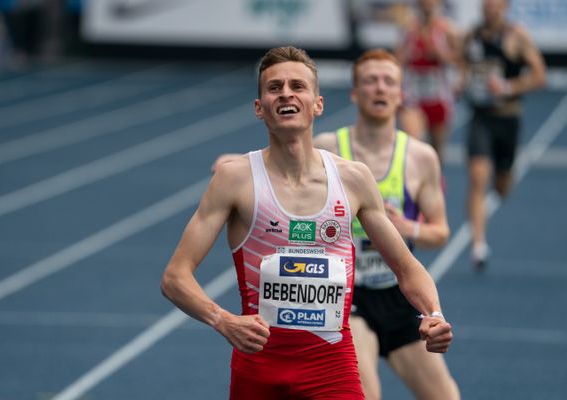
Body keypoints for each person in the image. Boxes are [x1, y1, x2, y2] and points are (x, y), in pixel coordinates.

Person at [162, 46, 453, 400]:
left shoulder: (353, 180)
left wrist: (434, 313)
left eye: (298, 86)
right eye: (274, 87)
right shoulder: (234, 180)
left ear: (317, 104)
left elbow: (407, 268)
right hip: (258, 368)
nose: (286, 93)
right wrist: (223, 320)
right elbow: (175, 277)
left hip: (331, 367)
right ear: (259, 108)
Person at [312, 49, 460, 400]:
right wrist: (242, 164)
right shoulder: (328, 148)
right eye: (370, 81)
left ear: (400, 94)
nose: (379, 88)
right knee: (364, 394)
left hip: (397, 295)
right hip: (347, 296)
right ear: (354, 92)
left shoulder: (421, 157)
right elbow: (282, 170)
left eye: (388, 81)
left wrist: (407, 229)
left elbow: (441, 231)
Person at [461, 0, 546, 268]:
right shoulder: (471, 36)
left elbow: (540, 75)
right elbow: (460, 64)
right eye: (486, 4)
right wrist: (460, 81)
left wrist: (507, 87)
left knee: (502, 186)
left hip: (508, 119)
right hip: (480, 117)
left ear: (505, 7)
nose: (490, 8)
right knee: (477, 179)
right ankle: (478, 245)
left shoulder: (516, 37)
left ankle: (504, 175)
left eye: (496, 4)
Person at [395, 0, 462, 164]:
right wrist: (406, 55)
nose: (427, 4)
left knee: (437, 153)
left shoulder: (448, 30)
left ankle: (435, 185)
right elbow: (396, 60)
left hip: (439, 98)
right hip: (413, 98)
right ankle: (415, 186)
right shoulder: (408, 29)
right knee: (412, 147)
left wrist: (441, 55)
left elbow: (461, 62)